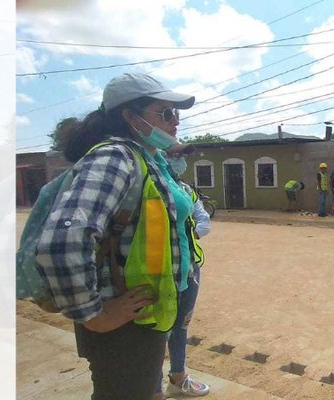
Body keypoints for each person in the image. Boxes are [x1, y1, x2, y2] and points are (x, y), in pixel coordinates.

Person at [35, 72, 197, 400]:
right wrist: (94, 313)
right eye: (165, 113)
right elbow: (62, 241)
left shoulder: (145, 157)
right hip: (123, 328)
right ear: (130, 116)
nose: (175, 122)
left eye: (176, 114)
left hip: (142, 318)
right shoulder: (116, 157)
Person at [154, 150, 212, 399]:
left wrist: (189, 235)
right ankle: (152, 387)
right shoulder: (153, 186)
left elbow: (204, 220)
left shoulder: (186, 190)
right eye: (173, 154)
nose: (179, 159)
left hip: (189, 270)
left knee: (181, 326)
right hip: (160, 270)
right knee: (157, 329)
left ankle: (178, 377)